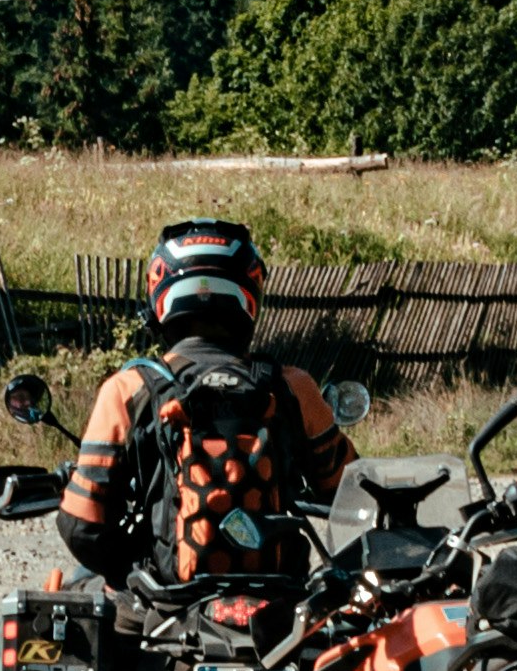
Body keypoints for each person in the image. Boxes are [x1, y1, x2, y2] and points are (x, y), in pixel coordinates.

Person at [51, 219, 353, 600]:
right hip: (281, 608)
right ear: (250, 292)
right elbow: (350, 498)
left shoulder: (128, 389)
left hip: (166, 605)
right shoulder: (295, 388)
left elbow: (82, 525)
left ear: (160, 294)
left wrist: (131, 573)